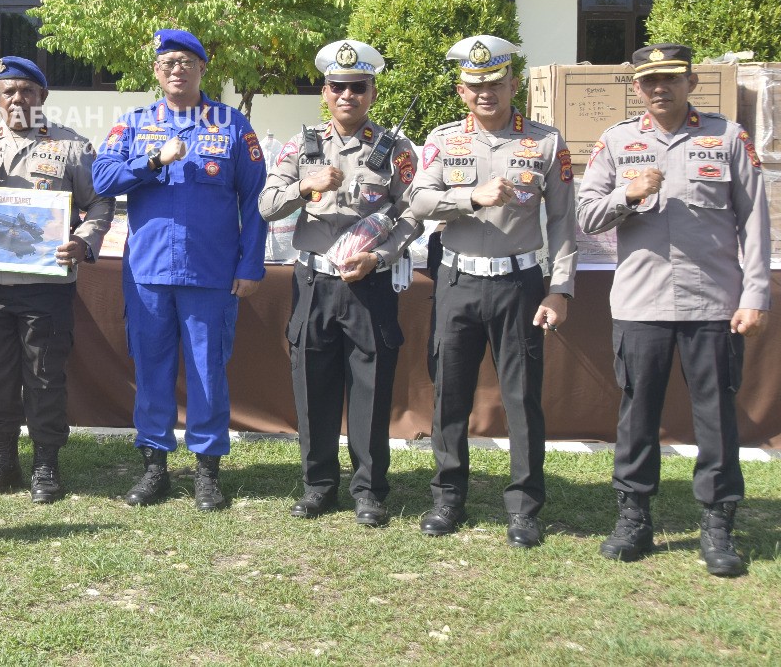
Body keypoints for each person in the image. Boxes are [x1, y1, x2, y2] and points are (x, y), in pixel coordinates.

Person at [576, 43, 770, 576]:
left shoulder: (728, 138)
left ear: (690, 82)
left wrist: (755, 294)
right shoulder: (617, 142)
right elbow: (588, 215)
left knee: (716, 417)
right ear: (637, 87)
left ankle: (717, 524)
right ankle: (634, 518)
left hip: (714, 304)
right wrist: (629, 195)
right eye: (649, 80)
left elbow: (755, 222)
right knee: (637, 415)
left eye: (671, 78)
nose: (660, 88)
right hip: (642, 305)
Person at [406, 35, 575, 547]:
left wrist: (560, 288)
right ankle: (448, 496)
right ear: (462, 90)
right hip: (457, 280)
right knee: (450, 393)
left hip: (519, 284)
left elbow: (565, 221)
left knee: (522, 398)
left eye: (495, 83)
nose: (485, 93)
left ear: (513, 84)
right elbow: (418, 199)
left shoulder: (545, 142)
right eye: (475, 85)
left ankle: (524, 507)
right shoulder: (443, 140)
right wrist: (468, 198)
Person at [91, 29, 267, 511]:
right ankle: (155, 466)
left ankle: (207, 471)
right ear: (156, 71)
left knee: (208, 372)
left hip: (210, 272)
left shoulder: (232, 125)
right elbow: (102, 178)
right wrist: (152, 159)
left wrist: (251, 263)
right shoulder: (134, 124)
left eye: (187, 61)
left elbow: (255, 202)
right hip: (148, 271)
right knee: (152, 369)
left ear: (203, 69)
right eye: (168, 61)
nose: (177, 69)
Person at [258, 39, 418, 527]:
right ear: (325, 92)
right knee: (312, 384)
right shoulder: (300, 146)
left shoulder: (397, 150)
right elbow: (266, 205)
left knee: (370, 386)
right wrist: (305, 186)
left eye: (358, 87)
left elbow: (413, 214)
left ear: (371, 92)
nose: (347, 95)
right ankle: (318, 485)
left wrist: (380, 254)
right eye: (338, 87)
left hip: (368, 283)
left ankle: (369, 490)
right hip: (314, 281)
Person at [0, 56, 114, 503]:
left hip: (47, 285)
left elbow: (101, 203)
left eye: (27, 91)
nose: (18, 99)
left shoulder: (71, 146)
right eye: (9, 92)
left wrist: (82, 240)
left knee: (44, 376)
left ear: (43, 97)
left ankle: (45, 465)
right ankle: (2, 460)